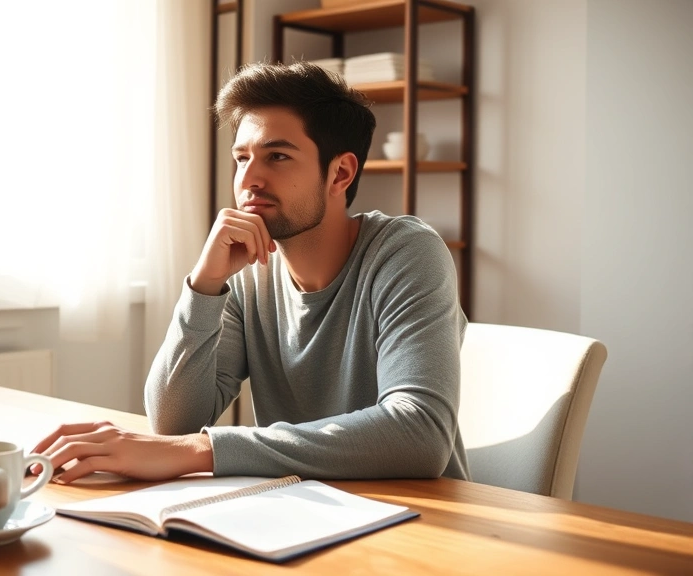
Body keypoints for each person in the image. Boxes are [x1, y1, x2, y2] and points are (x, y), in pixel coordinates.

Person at [30, 61, 470, 484]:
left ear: (340, 173)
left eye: (277, 156)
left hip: (423, 521)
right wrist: (204, 285)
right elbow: (172, 421)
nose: (249, 180)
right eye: (242, 158)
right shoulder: (247, 274)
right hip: (302, 509)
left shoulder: (407, 254)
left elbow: (420, 433)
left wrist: (203, 451)